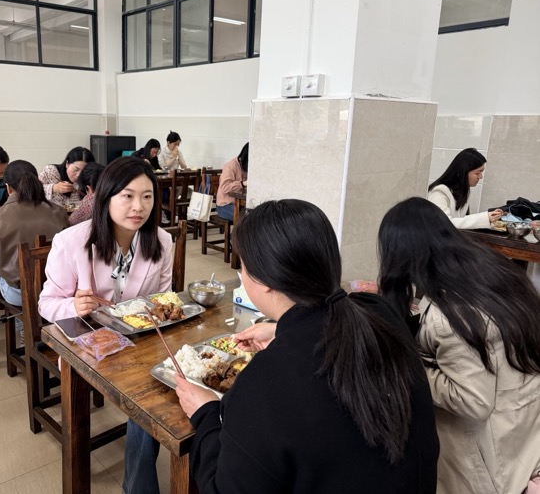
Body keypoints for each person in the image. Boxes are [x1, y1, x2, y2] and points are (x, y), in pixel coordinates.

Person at [174, 199, 439, 493]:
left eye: (244, 266)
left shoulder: (265, 383)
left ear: (264, 281)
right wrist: (282, 332)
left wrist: (206, 413)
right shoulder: (380, 313)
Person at [378, 197, 540, 494]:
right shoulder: (490, 271)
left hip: (491, 456)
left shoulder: (451, 314)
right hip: (523, 434)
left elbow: (473, 401)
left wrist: (412, 367)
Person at [38, 157, 173, 494]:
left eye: (147, 196)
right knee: (148, 396)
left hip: (141, 341)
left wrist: (160, 311)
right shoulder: (71, 242)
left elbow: (163, 298)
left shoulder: (161, 240)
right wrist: (73, 306)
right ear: (106, 197)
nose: (138, 207)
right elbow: (46, 304)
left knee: (166, 384)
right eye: (127, 196)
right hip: (89, 344)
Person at [0, 160, 68, 312]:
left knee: (2, 279)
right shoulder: (60, 212)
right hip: (59, 287)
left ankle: (22, 323)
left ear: (8, 187)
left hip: (20, 293)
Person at [427, 147, 503, 229]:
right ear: (463, 172)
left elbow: (461, 220)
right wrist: (485, 218)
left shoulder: (463, 191)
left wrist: (489, 219)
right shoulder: (439, 192)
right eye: (477, 173)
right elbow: (444, 223)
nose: (481, 177)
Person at [216, 142, 248, 221]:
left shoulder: (245, 167)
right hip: (225, 206)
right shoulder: (230, 166)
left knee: (257, 215)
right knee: (247, 218)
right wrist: (242, 184)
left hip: (240, 203)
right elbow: (225, 187)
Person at [68, 162, 104, 226]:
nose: (77, 174)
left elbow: (70, 222)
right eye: (76, 169)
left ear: (88, 188)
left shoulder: (90, 200)